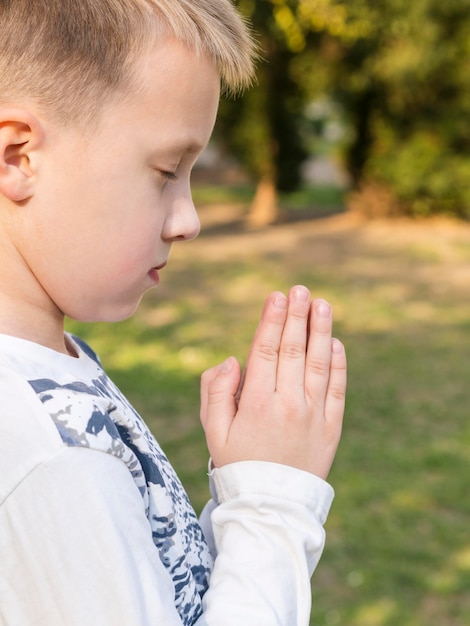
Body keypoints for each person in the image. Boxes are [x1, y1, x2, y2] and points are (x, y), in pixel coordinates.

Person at [0, 1, 347, 624]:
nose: (188, 221)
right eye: (166, 171)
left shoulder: (48, 374)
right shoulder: (52, 455)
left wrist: (236, 500)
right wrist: (273, 503)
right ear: (17, 156)